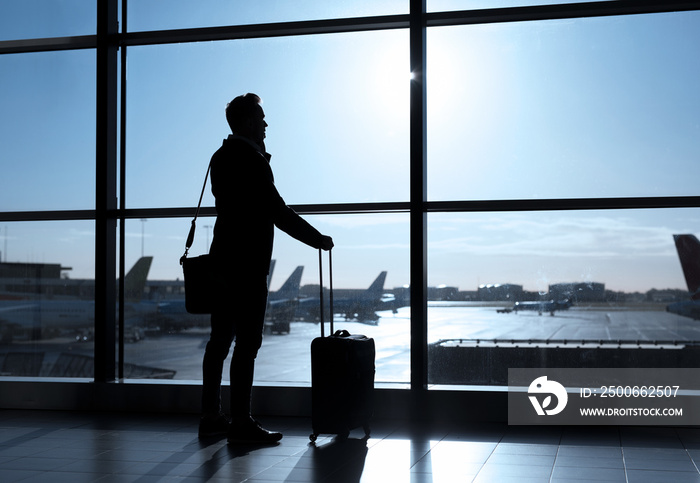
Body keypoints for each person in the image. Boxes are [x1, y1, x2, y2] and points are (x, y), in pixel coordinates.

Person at [199, 93, 334, 444]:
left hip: (222, 262)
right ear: (246, 122)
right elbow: (277, 211)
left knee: (219, 343)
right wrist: (316, 238)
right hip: (247, 267)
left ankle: (211, 416)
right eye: (260, 117)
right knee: (247, 344)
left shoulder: (220, 157)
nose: (265, 123)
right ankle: (241, 422)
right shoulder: (251, 160)